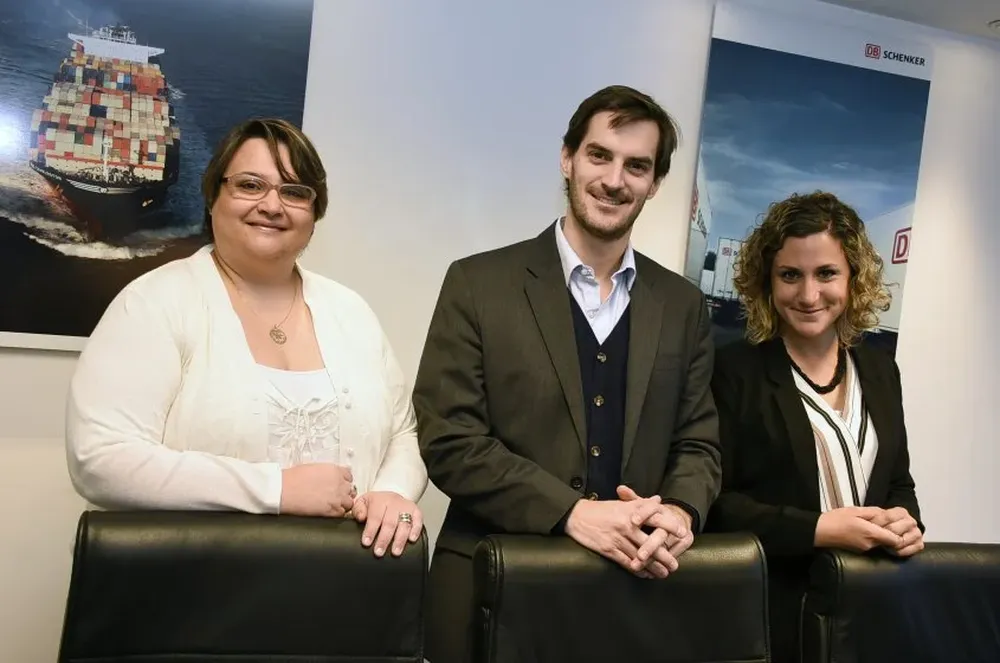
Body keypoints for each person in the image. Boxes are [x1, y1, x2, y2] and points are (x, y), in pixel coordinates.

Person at [412, 85, 723, 663]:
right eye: (599, 155)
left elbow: (698, 440)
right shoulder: (478, 284)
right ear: (568, 157)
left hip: (635, 597)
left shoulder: (682, 306)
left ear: (655, 183)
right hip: (491, 587)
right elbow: (450, 439)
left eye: (637, 166)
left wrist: (681, 510)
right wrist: (573, 513)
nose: (614, 179)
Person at [66, 118, 427, 558]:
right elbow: (101, 461)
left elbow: (403, 433)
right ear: (213, 198)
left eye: (295, 192)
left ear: (314, 214)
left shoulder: (351, 311)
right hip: (195, 594)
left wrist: (393, 493)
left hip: (342, 590)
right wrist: (276, 489)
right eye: (251, 185)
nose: (273, 206)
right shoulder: (152, 304)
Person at [705, 191, 924, 663]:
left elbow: (898, 483)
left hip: (870, 615)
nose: (808, 295)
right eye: (790, 275)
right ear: (767, 281)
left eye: (826, 273)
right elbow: (717, 507)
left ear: (854, 279)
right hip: (773, 622)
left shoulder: (881, 371)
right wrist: (820, 529)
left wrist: (907, 522)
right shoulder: (733, 371)